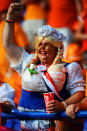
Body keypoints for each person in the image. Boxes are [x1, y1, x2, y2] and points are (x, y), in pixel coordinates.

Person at [2, 3, 85, 131]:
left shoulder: (70, 67)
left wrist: (63, 105)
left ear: (55, 47)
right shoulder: (27, 61)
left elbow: (79, 94)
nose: (41, 48)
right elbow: (8, 44)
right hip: (26, 124)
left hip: (52, 127)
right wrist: (9, 17)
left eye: (46, 44)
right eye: (39, 44)